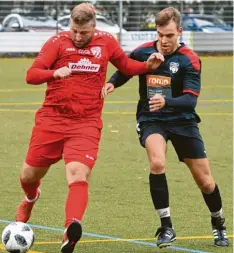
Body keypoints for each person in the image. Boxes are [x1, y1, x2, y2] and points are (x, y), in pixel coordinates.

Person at [14, 3, 163, 253]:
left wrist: (146, 67)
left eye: (83, 32)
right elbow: (31, 75)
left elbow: (125, 66)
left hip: (86, 122)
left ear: (94, 26)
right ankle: (31, 198)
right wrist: (54, 73)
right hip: (51, 119)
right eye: (74, 31)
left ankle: (71, 228)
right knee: (28, 176)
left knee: (77, 174)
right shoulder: (57, 43)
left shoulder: (106, 42)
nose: (78, 36)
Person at [102, 7, 229, 249]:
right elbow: (126, 69)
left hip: (183, 120)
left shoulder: (189, 59)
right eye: (160, 34)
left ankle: (218, 223)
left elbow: (190, 100)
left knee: (206, 182)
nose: (164, 41)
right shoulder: (144, 51)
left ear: (179, 32)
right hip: (152, 119)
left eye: (169, 35)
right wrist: (111, 83)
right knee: (157, 163)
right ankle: (166, 227)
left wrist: (167, 101)